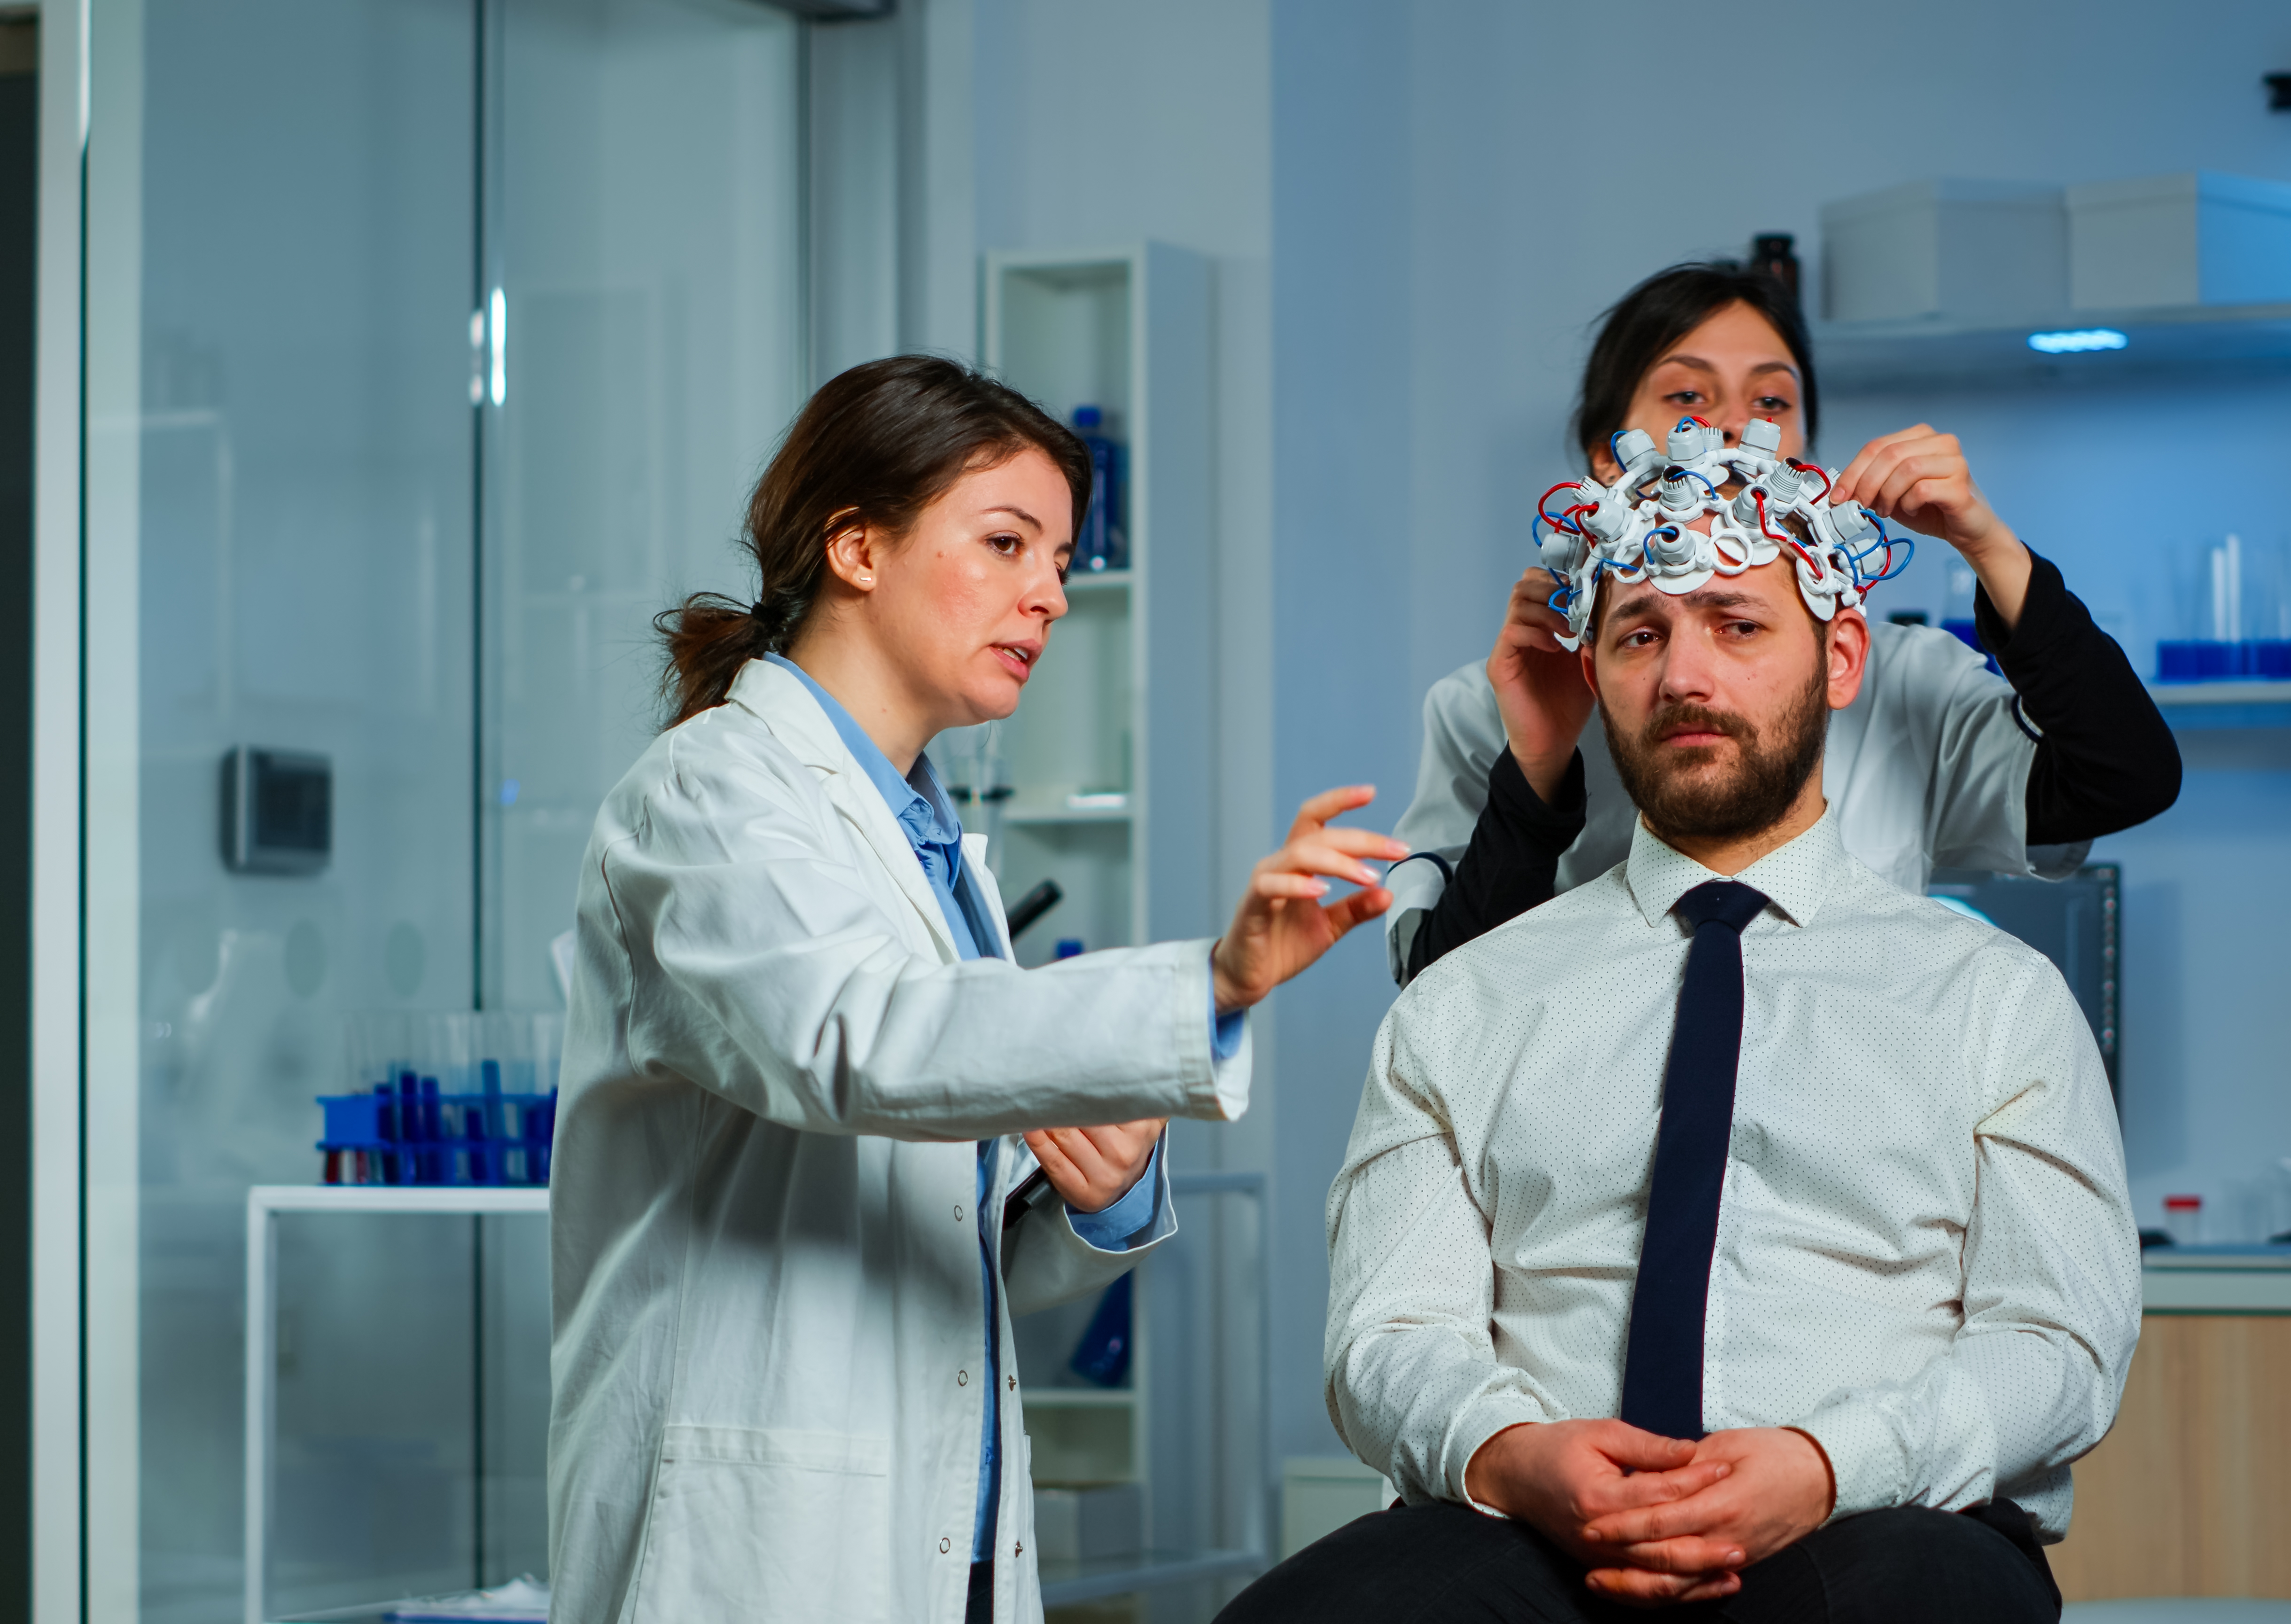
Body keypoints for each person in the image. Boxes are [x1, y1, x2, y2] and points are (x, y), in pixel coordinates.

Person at [545, 356, 1404, 1624]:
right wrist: (1207, 985)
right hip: (752, 1534)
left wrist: (1092, 1204)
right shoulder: (708, 795)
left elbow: (949, 1241)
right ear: (856, 546)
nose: (1048, 595)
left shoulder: (933, 850)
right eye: (1007, 543)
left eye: (1058, 558)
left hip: (935, 1528)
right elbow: (854, 1042)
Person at [1228, 522, 2139, 1621]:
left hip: (1879, 1523)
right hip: (1533, 1528)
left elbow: (2056, 1345)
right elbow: (1389, 1337)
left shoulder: (1994, 997)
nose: (1684, 675)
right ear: (1594, 673)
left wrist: (1826, 1461)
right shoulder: (1465, 1001)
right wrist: (1515, 1454)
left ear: (1841, 658)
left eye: (1738, 626)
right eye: (1640, 636)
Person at [1387, 259, 2178, 985]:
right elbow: (1442, 1010)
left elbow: (2122, 778)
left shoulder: (1904, 681)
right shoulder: (1491, 709)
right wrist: (1536, 771)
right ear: (1608, 461)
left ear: (1844, 658)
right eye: (1688, 398)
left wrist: (1988, 545)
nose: (1732, 429)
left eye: (1771, 402)